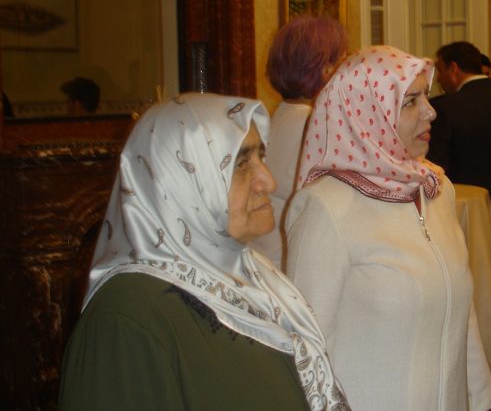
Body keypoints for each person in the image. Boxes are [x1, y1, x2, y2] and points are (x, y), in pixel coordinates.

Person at [59, 93, 349, 410]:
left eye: (261, 157)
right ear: (177, 182)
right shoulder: (126, 319)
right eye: (240, 163)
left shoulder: (258, 279)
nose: (268, 181)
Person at [285, 46, 491, 411]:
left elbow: (464, 318)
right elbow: (306, 349)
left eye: (426, 96)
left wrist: (480, 399)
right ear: (366, 114)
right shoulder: (327, 207)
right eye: (411, 101)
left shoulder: (436, 189)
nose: (431, 112)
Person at [428, 40, 491, 396]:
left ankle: (475, 381)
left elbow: (438, 170)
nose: (440, 78)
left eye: (441, 70)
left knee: (472, 305)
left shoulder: (445, 108)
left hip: (465, 219)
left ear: (454, 69)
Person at [250, 15, 347, 267]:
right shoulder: (315, 125)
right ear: (326, 70)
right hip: (291, 264)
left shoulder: (279, 116)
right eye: (342, 61)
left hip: (266, 258)